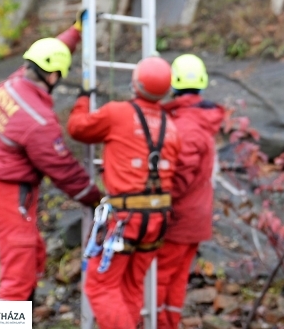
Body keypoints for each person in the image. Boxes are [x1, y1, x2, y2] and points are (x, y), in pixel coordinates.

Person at [0, 17, 102, 302]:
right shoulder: (37, 122)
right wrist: (95, 198)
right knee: (16, 284)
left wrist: (76, 32)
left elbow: (52, 50)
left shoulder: (13, 83)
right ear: (53, 75)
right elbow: (63, 169)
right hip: (10, 196)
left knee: (34, 257)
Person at [68, 56, 180, 329]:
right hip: (157, 219)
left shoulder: (117, 113)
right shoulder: (172, 127)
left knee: (100, 286)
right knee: (130, 285)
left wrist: (82, 100)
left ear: (136, 83)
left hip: (126, 218)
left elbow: (78, 128)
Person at [156, 54, 225, 329]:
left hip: (178, 219)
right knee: (176, 278)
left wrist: (157, 201)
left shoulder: (186, 124)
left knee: (161, 277)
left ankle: (158, 323)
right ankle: (168, 323)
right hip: (193, 218)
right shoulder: (198, 119)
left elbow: (180, 176)